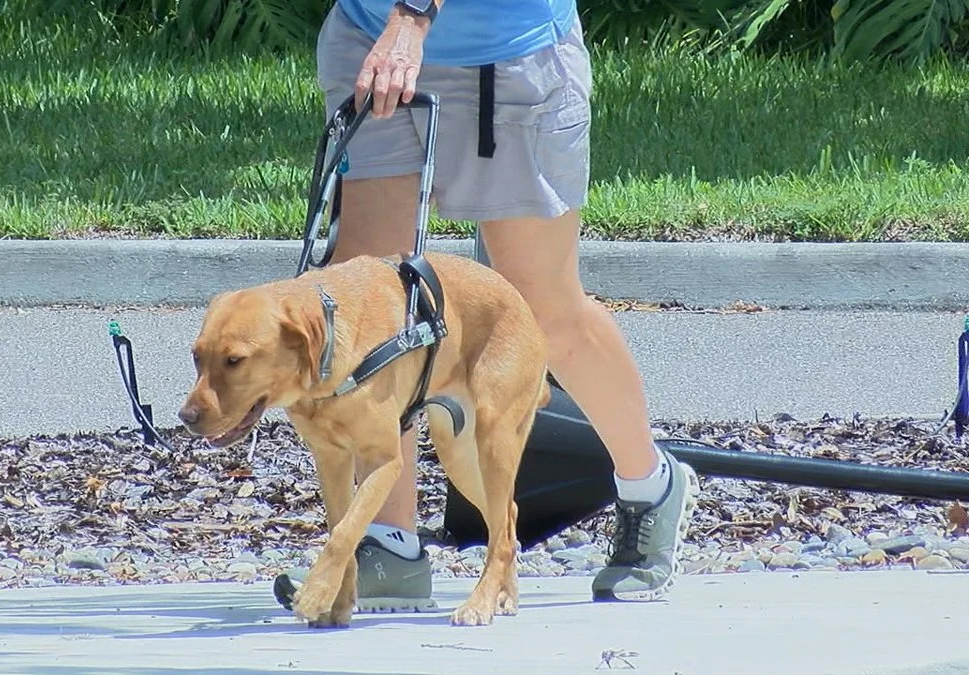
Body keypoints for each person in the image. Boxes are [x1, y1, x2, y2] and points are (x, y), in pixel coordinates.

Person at [273, 0, 700, 611]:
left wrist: (413, 17)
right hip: (371, 44)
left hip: (510, 57)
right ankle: (390, 543)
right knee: (373, 317)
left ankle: (650, 485)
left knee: (544, 310)